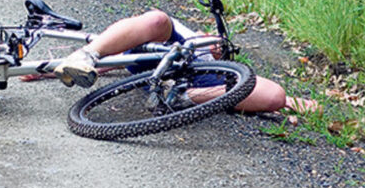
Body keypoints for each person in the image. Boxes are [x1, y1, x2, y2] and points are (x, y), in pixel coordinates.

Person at [53, 9, 320, 120]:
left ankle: (179, 97)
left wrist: (291, 103)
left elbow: (287, 100)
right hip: (164, 45)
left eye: (221, 46)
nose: (216, 45)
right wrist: (52, 67)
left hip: (198, 80)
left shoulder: (221, 70)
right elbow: (118, 57)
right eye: (212, 40)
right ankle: (84, 55)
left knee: (275, 95)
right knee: (157, 19)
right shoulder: (187, 33)